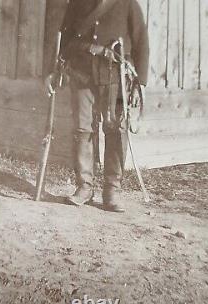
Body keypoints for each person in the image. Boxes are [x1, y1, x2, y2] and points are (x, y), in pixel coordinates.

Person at [48, 0, 149, 212]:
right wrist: (56, 68)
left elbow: (141, 42)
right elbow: (66, 36)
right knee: (82, 129)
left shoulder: (128, 3)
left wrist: (141, 83)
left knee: (115, 130)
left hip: (116, 77)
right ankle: (84, 186)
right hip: (82, 73)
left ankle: (112, 190)